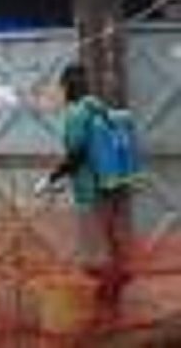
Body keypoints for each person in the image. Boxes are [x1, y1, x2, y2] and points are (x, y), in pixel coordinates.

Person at [38, 63, 135, 319]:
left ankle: (102, 308)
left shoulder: (76, 114)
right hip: (111, 185)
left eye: (61, 87)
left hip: (90, 191)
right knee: (110, 242)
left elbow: (77, 154)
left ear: (67, 87)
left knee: (94, 252)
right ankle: (115, 301)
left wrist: (51, 178)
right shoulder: (98, 108)